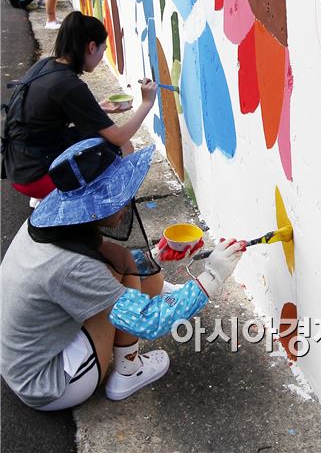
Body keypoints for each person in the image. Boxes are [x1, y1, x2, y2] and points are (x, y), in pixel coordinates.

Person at [0, 137, 246, 409]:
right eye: (114, 194)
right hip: (49, 384)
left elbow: (107, 267)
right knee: (120, 293)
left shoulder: (54, 226)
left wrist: (156, 256)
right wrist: (213, 276)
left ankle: (130, 359)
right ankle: (129, 373)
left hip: (24, 362)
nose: (125, 202)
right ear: (93, 205)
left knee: (121, 260)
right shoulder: (72, 266)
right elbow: (147, 321)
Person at [2, 11, 158, 203]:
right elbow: (119, 137)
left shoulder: (46, 65)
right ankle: (96, 206)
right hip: (36, 177)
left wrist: (97, 109)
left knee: (96, 139)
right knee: (122, 148)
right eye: (103, 49)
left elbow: (43, 114)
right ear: (92, 47)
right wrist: (147, 103)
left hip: (17, 164)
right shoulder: (70, 85)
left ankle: (49, 198)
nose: (102, 55)